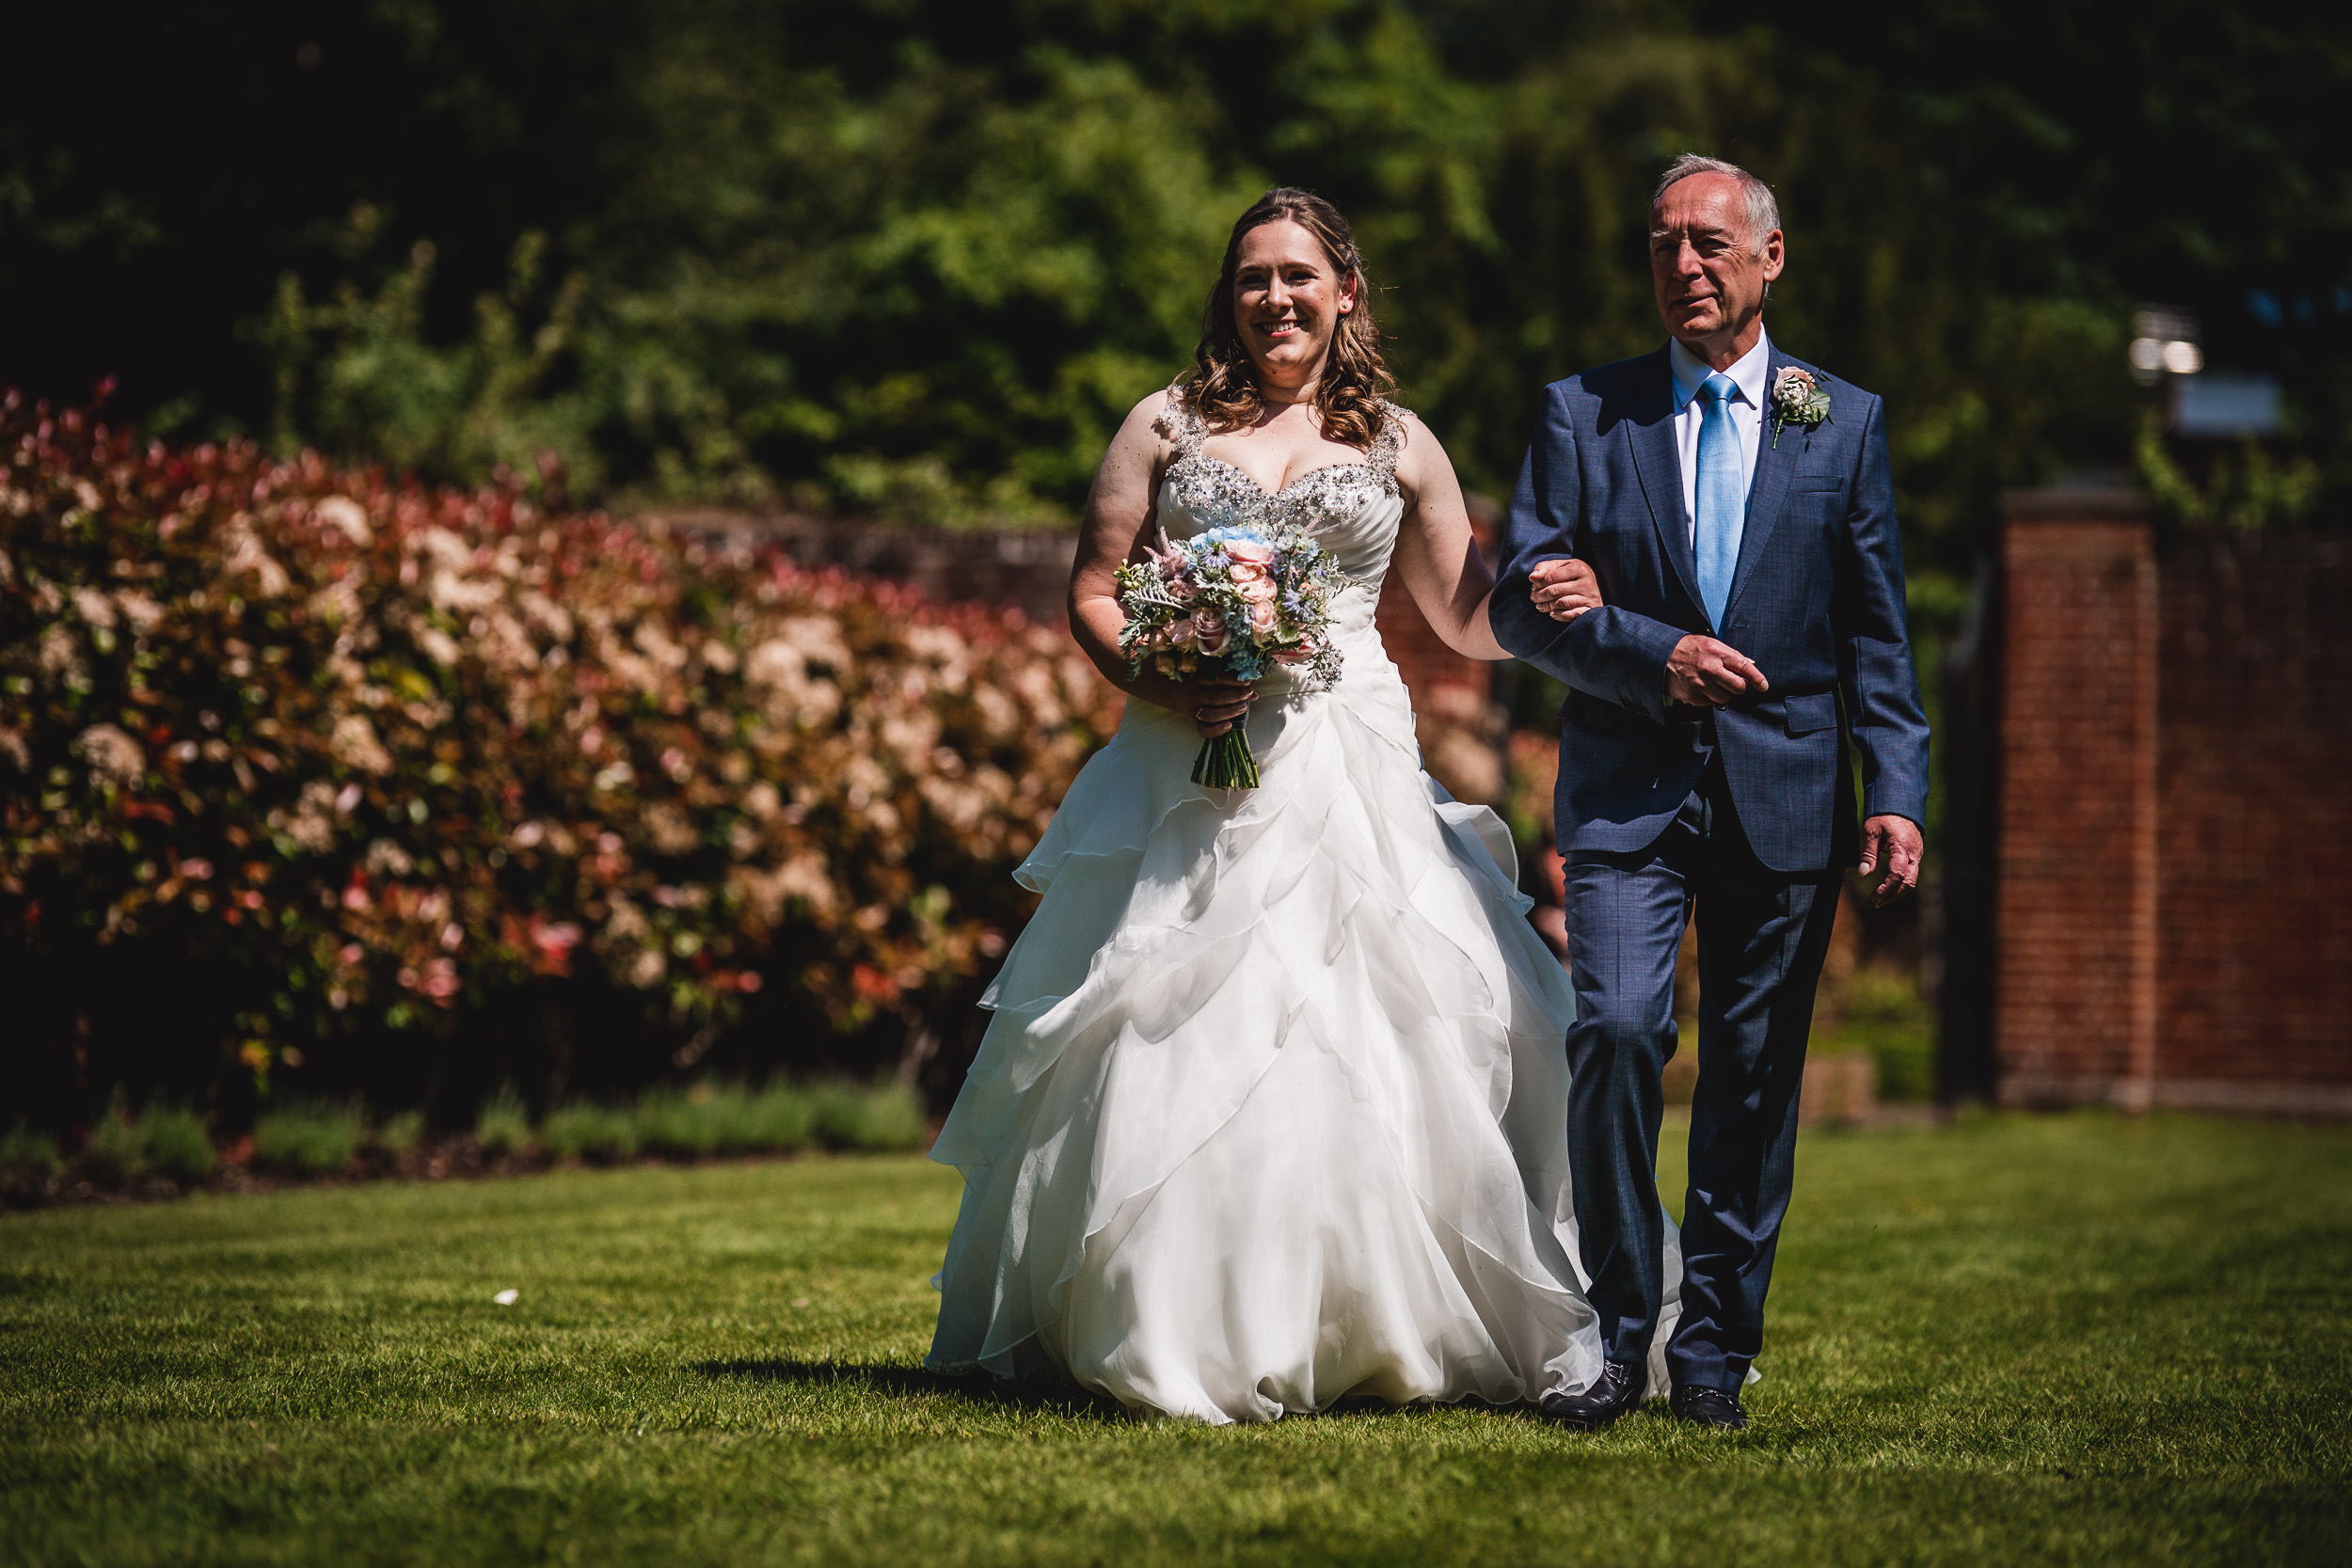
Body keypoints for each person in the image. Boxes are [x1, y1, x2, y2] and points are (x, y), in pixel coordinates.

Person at [924, 188, 1622, 1423]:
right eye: (1253, 278)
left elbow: (1467, 611)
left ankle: (1365, 1320)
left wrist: (1547, 596)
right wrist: (1162, 667)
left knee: (1365, 1031)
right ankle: (1165, 1315)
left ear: (1346, 291)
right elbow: (1096, 588)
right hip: (1186, 772)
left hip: (1346, 758)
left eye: (1299, 276)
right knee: (1167, 1018)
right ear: (1227, 295)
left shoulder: (1400, 440)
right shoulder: (1162, 424)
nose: (1275, 299)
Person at [1490, 155, 1931, 1432]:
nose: (1683, 264)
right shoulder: (1585, 413)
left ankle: (1714, 1358)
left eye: (1708, 244)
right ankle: (1621, 1331)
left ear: (1769, 258)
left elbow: (1876, 632)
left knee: (1751, 1079)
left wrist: (1895, 786)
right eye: (1662, 243)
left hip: (1789, 793)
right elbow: (1523, 604)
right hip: (1628, 794)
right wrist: (1644, 651)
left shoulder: (1838, 421)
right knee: (1619, 1033)